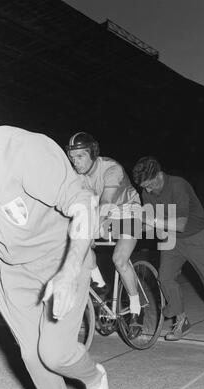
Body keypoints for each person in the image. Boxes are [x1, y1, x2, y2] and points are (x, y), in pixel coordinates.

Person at [0, 74, 111, 389]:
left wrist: (70, 270)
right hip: (13, 270)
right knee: (33, 356)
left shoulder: (23, 150)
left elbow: (82, 203)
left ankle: (94, 378)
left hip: (61, 257)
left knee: (56, 353)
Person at [132, 157, 204, 342]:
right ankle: (181, 320)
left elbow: (180, 224)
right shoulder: (146, 192)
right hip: (172, 240)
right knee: (165, 278)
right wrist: (125, 223)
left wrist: (153, 222)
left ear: (159, 175)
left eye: (149, 185)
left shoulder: (178, 185)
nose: (146, 190)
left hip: (198, 237)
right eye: (143, 187)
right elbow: (150, 226)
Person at [66, 132, 143, 337]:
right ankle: (100, 284)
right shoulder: (78, 176)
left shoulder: (111, 169)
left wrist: (90, 232)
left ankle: (136, 309)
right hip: (106, 215)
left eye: (80, 156)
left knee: (119, 260)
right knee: (73, 234)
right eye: (72, 158)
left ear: (92, 153)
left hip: (129, 212)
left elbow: (106, 203)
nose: (75, 162)